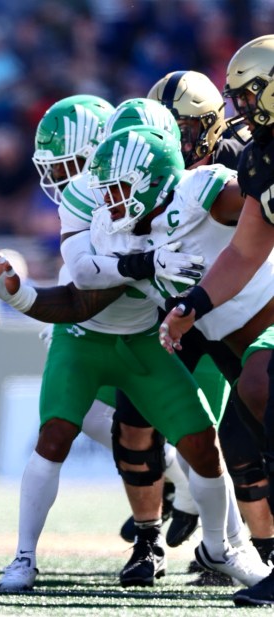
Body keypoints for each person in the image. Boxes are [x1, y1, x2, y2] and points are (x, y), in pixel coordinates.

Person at [0, 95, 196, 591]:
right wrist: (25, 296)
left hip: (155, 331)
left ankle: (220, 538)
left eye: (67, 162)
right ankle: (26, 555)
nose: (60, 177)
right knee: (69, 431)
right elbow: (83, 278)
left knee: (201, 442)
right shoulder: (84, 197)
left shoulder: (161, 189)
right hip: (88, 330)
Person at [156, 35, 274, 606]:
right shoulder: (260, 155)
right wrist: (191, 306)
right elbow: (245, 251)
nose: (241, 110)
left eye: (249, 95)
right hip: (254, 305)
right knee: (255, 408)